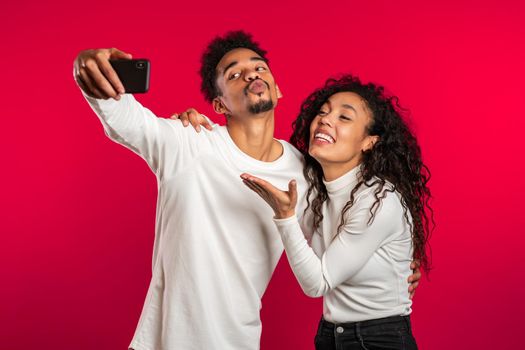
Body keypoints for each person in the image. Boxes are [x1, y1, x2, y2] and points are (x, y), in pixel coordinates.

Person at [73, 31, 421, 349]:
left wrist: (401, 266)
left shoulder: (303, 171)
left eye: (259, 68)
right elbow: (125, 120)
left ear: (277, 88)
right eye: (234, 74)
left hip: (240, 341)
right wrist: (87, 68)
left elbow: (342, 235)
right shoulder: (185, 142)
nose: (251, 74)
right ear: (220, 105)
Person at [239, 74, 432, 349]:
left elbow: (318, 283)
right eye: (323, 111)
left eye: (345, 117)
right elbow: (249, 150)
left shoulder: (379, 199)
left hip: (378, 340)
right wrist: (196, 125)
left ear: (369, 142)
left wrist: (285, 215)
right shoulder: (312, 186)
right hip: (330, 335)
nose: (326, 119)